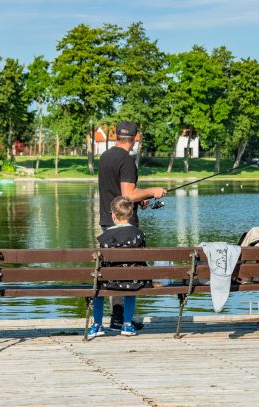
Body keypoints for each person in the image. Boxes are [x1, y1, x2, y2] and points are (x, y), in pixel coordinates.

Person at [97, 121, 167, 330]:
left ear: (117, 136)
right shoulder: (127, 160)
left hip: (108, 220)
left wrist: (140, 198)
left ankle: (116, 317)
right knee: (128, 271)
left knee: (113, 270)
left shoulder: (106, 156)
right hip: (126, 224)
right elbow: (128, 194)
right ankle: (122, 319)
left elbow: (120, 193)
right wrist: (153, 191)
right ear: (135, 138)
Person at [88, 196, 150, 338]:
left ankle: (97, 324)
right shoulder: (139, 235)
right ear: (131, 214)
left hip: (110, 281)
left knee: (97, 287)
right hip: (134, 281)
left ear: (113, 215)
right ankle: (127, 324)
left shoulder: (104, 237)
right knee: (131, 283)